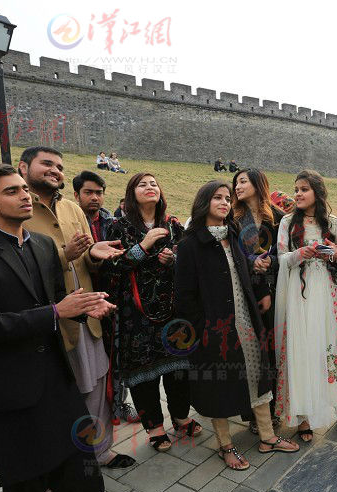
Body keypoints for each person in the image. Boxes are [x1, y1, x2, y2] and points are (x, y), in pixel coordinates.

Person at [0, 164, 133, 492]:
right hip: (8, 384)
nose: (25, 197)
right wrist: (59, 311)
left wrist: (84, 308)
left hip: (56, 373)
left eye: (24, 189)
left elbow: (56, 303)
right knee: (26, 476)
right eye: (11, 191)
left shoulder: (45, 246)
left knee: (77, 451)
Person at [18, 147, 135, 470]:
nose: (55, 170)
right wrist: (63, 255)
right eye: (47, 164)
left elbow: (85, 260)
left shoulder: (72, 209)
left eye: (59, 165)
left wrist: (94, 254)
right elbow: (12, 267)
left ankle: (101, 453)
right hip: (49, 324)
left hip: (88, 317)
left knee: (97, 388)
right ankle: (63, 462)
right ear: (23, 167)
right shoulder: (17, 209)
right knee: (61, 394)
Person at [175, 181, 299, 470]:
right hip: (214, 328)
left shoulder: (233, 234)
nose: (224, 202)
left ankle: (268, 436)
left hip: (245, 319)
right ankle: (225, 444)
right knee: (218, 383)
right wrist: (200, 329)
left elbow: (245, 271)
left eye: (226, 198)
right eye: (217, 198)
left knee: (257, 372)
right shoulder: (190, 244)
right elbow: (183, 296)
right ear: (204, 202)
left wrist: (261, 293)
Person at [103, 173, 201, 452]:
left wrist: (174, 260)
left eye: (154, 183)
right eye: (142, 184)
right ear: (131, 192)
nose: (149, 187)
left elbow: (188, 264)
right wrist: (143, 247)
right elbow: (110, 268)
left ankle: (181, 418)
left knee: (179, 369)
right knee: (143, 374)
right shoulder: (117, 227)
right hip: (136, 314)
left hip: (172, 311)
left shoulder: (172, 226)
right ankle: (155, 428)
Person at [274, 169, 337, 441]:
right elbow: (281, 258)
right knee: (302, 349)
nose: (298, 194)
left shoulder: (333, 223)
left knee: (331, 345)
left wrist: (335, 254)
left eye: (304, 189)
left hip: (326, 291)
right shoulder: (287, 222)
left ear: (317, 193)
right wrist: (300, 253)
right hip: (299, 295)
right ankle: (302, 416)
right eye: (296, 188)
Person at [73, 171, 141, 425]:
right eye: (88, 192)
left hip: (114, 297)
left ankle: (119, 403)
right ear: (76, 194)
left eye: (99, 193)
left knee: (117, 353)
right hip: (83, 297)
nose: (95, 198)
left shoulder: (113, 223)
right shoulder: (72, 223)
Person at [232, 168, 286, 433]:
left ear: (257, 183)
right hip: (245, 292)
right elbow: (231, 253)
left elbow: (286, 252)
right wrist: (253, 262)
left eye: (243, 181)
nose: (238, 186)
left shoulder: (277, 218)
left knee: (273, 349)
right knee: (251, 351)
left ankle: (274, 405)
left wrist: (269, 263)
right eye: (236, 183)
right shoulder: (233, 218)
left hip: (275, 289)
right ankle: (253, 411)